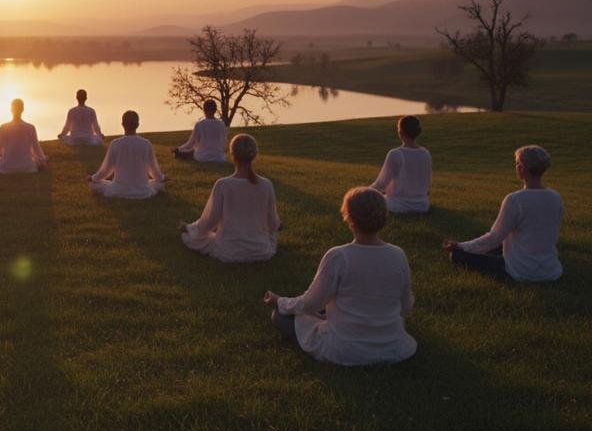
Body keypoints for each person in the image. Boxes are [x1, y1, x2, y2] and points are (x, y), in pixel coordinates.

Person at [263, 187, 416, 366]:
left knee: (279, 316)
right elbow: (405, 305)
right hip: (391, 345)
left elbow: (311, 304)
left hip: (346, 348)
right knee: (322, 310)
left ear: (349, 218)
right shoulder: (398, 255)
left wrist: (280, 302)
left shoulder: (339, 256)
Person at [442, 145, 563, 281]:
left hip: (521, 270)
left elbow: (494, 238)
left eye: (517, 163)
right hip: (551, 269)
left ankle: (462, 251)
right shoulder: (555, 197)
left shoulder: (515, 199)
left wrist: (460, 246)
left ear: (521, 167)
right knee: (501, 246)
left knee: (458, 255)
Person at [178, 134, 279, 262]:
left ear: (233, 155)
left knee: (191, 237)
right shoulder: (266, 184)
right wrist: (276, 225)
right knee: (273, 234)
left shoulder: (223, 184)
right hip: (260, 250)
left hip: (228, 251)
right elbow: (272, 223)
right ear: (254, 155)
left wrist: (190, 228)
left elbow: (209, 222)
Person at [89, 110, 165, 199]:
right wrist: (162, 178)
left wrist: (93, 178)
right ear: (138, 125)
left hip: (119, 191)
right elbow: (154, 171)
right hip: (143, 191)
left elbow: (106, 170)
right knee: (160, 183)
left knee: (94, 183)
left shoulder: (115, 143)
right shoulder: (146, 143)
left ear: (122, 124)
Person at [369, 115, 431, 213]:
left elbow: (380, 184)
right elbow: (427, 183)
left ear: (400, 132)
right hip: (422, 206)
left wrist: (363, 192)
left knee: (375, 199)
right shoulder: (426, 153)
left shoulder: (395, 153)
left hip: (398, 206)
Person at [0, 98, 47, 173]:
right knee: (39, 160)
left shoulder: (4, 127)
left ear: (11, 109)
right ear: (23, 109)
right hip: (27, 167)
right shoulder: (30, 127)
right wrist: (43, 159)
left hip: (6, 167)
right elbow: (37, 149)